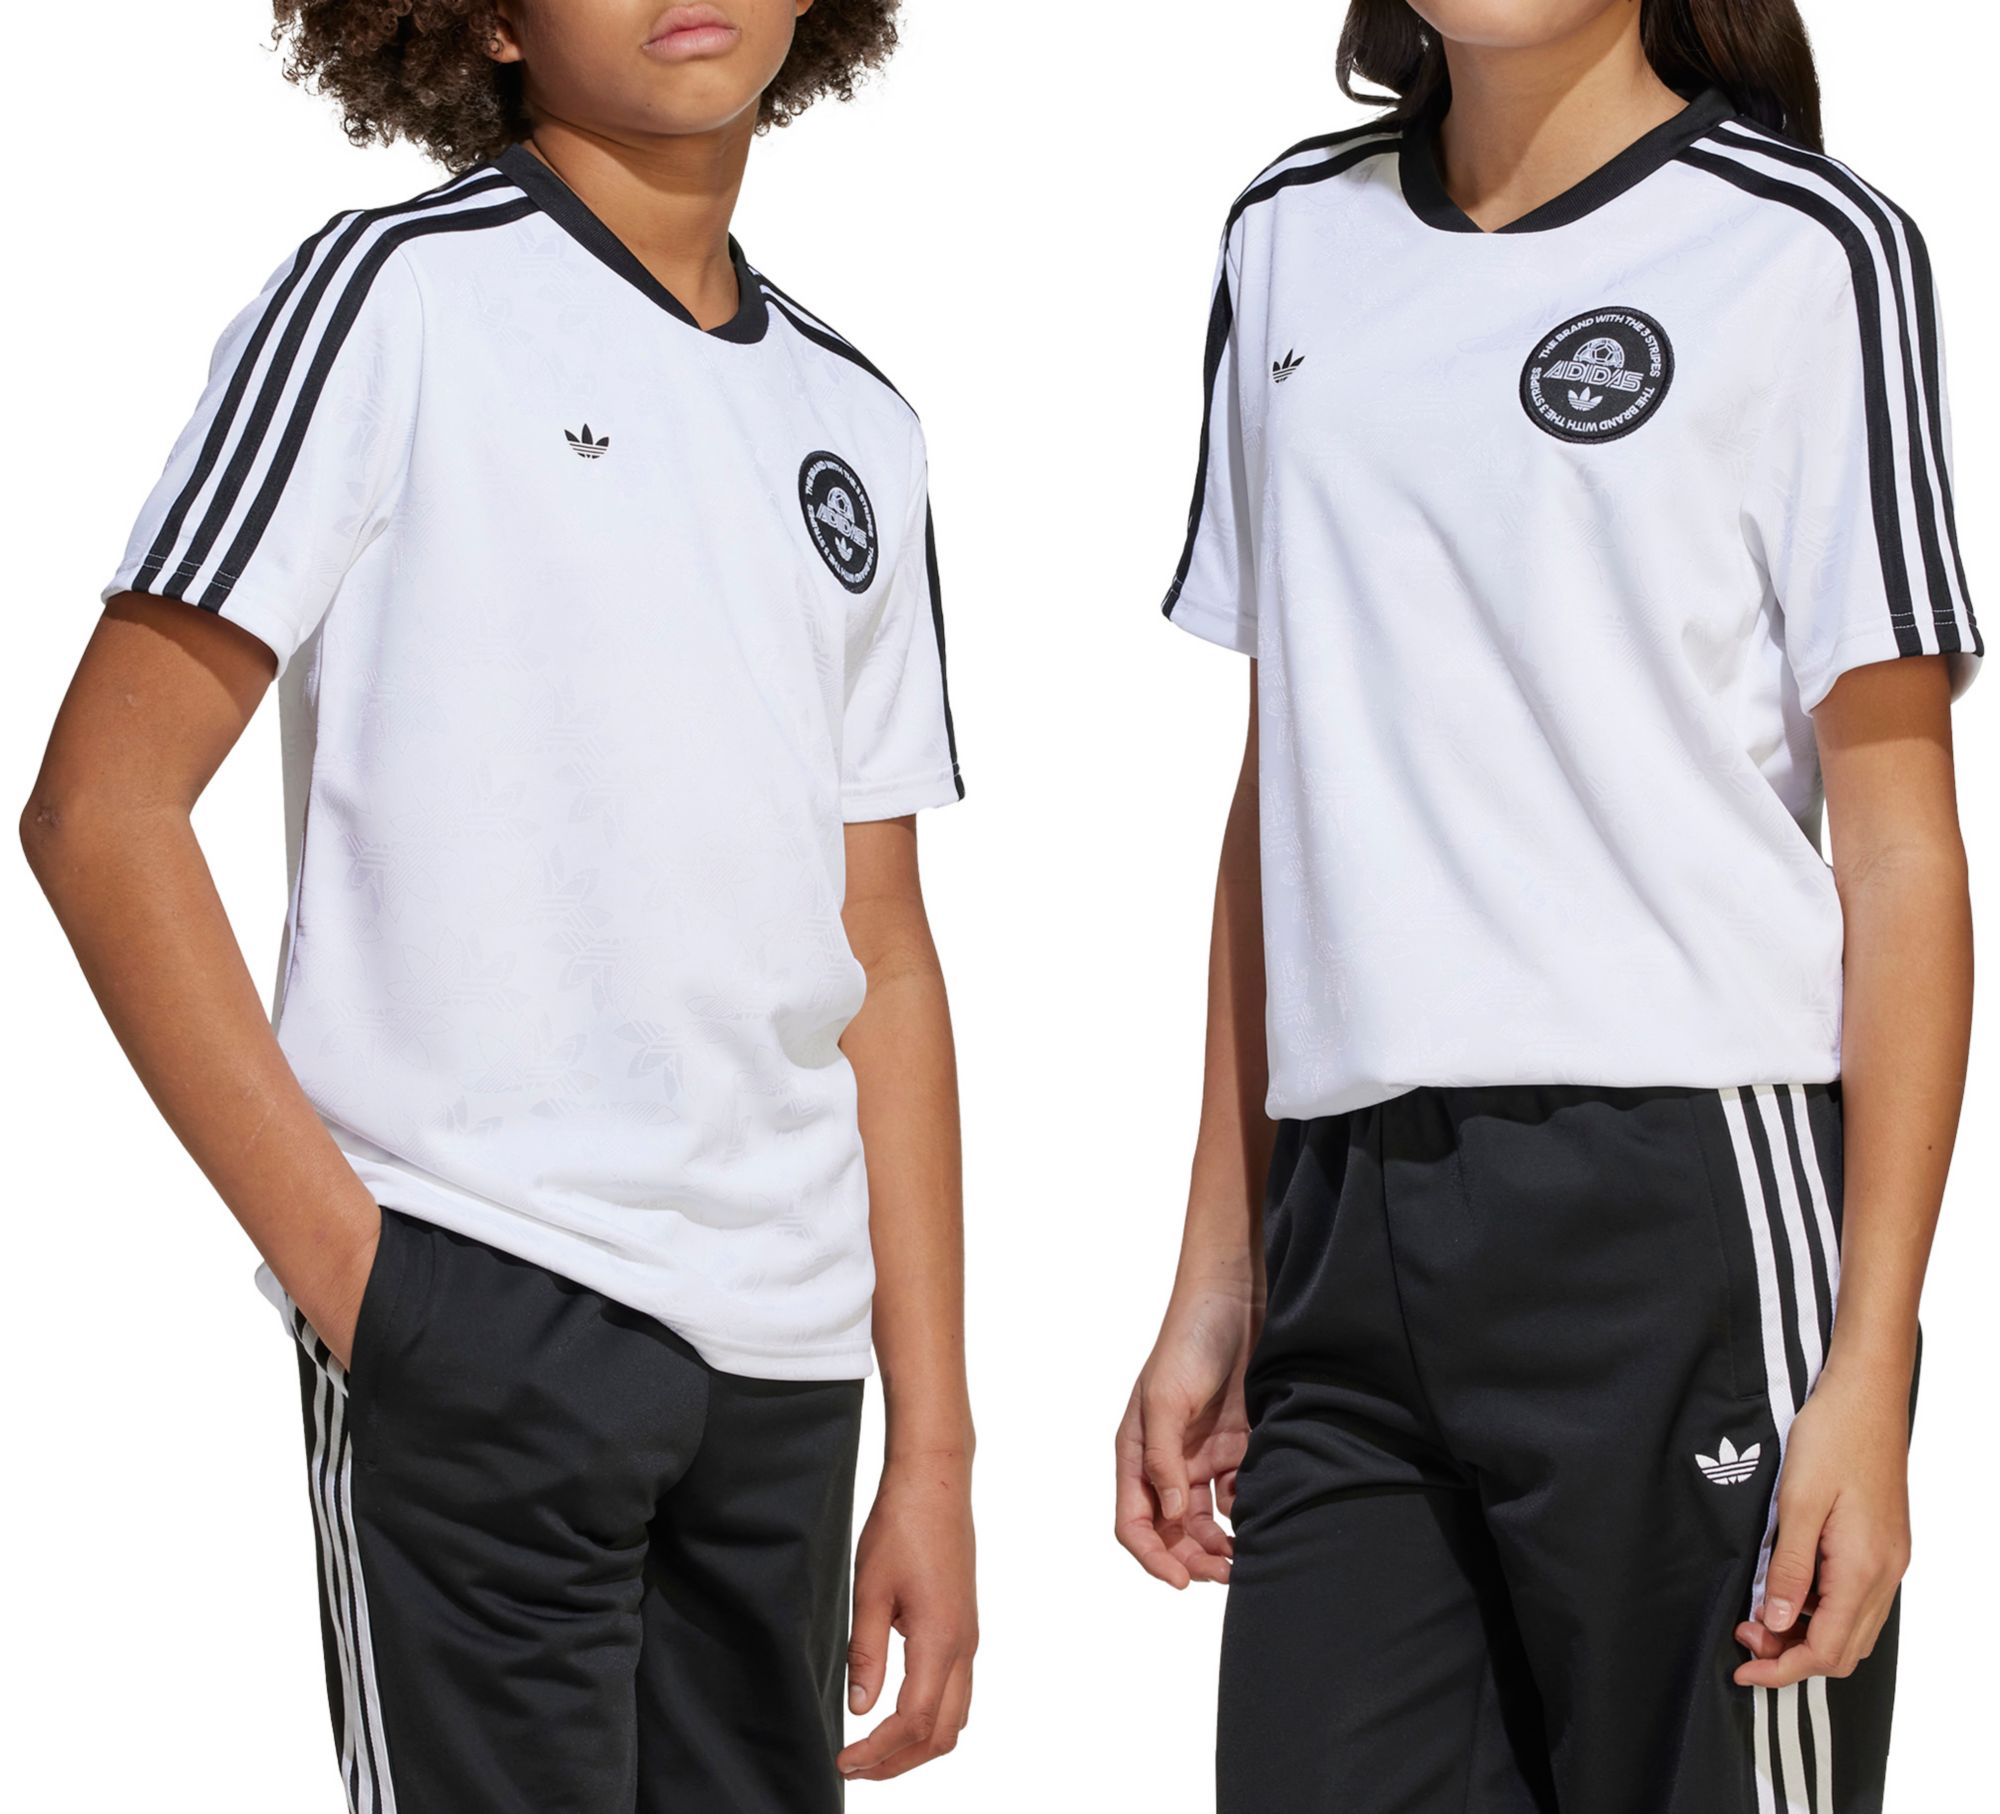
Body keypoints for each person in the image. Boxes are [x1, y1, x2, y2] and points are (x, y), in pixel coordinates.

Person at [22, 3, 975, 1808]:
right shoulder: (391, 302)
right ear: (482, 17)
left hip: (786, 1376)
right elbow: (102, 807)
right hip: (482, 1307)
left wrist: (933, 1446)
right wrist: (371, 1290)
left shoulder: (858, 419)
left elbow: (886, 950)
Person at [1117, 2, 1977, 1809]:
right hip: (1346, 1226)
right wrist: (1222, 1266)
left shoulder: (1808, 252)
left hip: (1680, 1215)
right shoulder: (1287, 240)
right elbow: (1288, 789)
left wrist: (1870, 1365)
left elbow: (1901, 847)